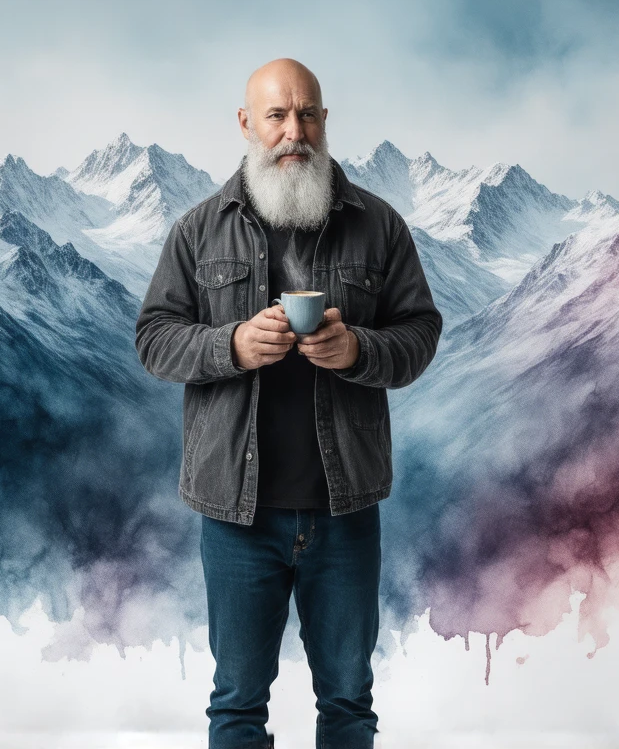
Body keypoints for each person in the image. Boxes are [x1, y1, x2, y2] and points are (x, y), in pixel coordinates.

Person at [135, 58, 443, 749]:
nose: (292, 130)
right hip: (237, 516)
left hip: (346, 511)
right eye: (276, 115)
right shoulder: (197, 231)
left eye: (306, 114)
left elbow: (420, 334)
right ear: (246, 124)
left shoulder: (379, 226)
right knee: (238, 705)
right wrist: (232, 347)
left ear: (325, 122)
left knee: (348, 702)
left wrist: (359, 351)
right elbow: (154, 341)